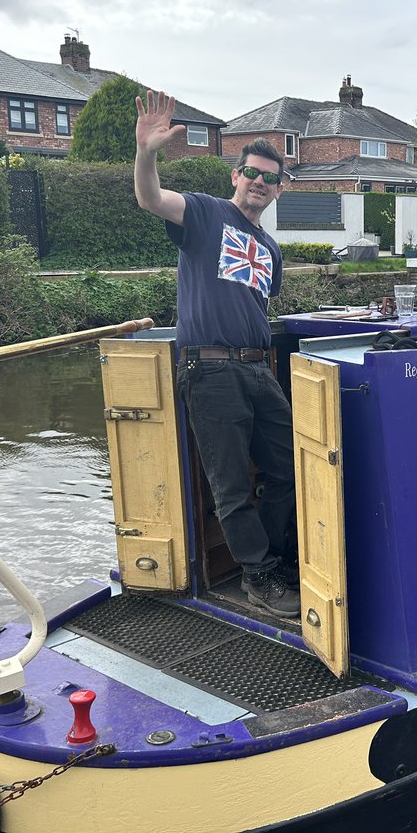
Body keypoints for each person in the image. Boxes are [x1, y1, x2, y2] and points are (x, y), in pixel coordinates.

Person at [134, 90, 299, 619]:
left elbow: (255, 306)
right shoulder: (204, 215)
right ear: (236, 175)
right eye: (252, 172)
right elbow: (151, 199)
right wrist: (146, 153)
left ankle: (271, 561)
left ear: (278, 188)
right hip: (208, 369)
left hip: (258, 368)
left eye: (270, 177)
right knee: (229, 485)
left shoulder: (271, 251)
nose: (259, 182)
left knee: (288, 471)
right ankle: (259, 577)